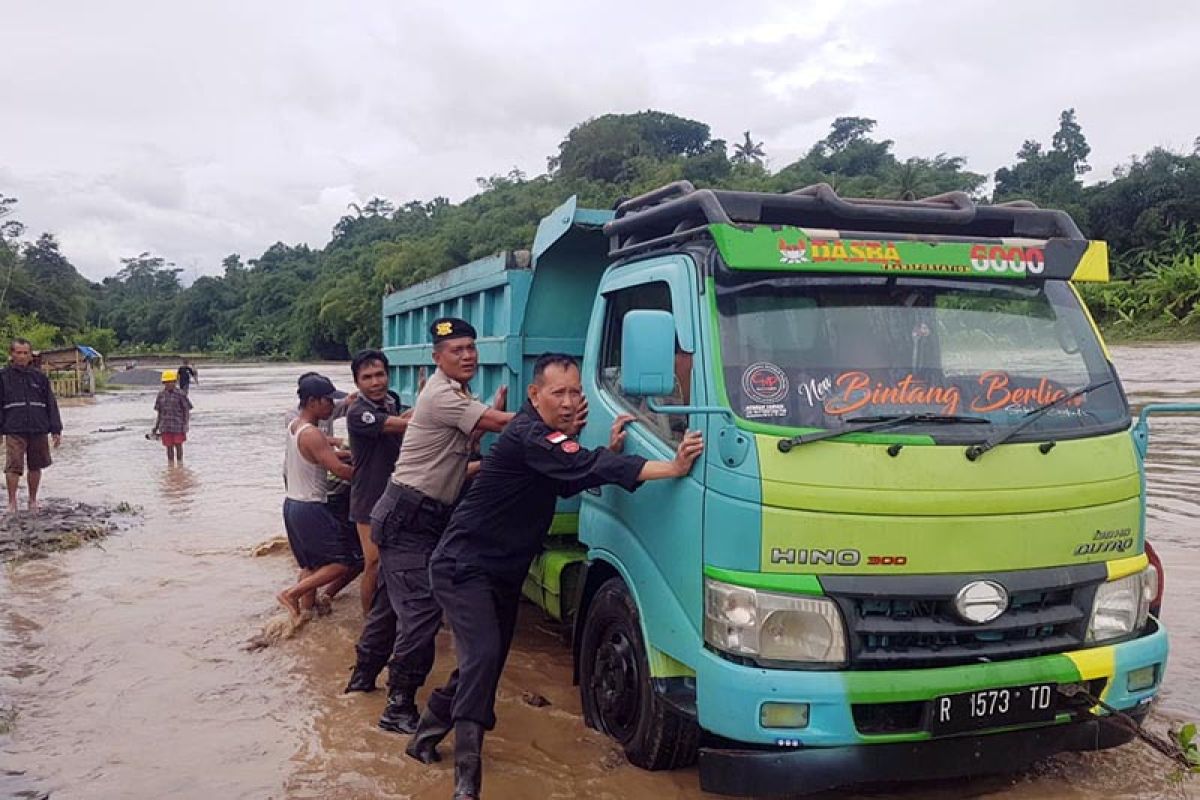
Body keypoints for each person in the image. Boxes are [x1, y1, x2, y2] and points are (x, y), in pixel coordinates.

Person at [405, 353, 704, 800]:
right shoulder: (529, 435)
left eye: (575, 393)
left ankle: (424, 736)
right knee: (483, 658)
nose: (568, 402)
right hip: (463, 568)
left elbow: (569, 478)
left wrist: (607, 452)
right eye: (558, 393)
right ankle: (467, 782)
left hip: (501, 572)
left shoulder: (546, 441)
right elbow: (580, 466)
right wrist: (674, 467)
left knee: (481, 664)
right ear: (534, 394)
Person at [371, 317, 513, 735]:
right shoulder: (442, 395)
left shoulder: (455, 393)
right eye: (457, 350)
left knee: (389, 606)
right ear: (437, 358)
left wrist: (489, 417)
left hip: (419, 514)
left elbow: (461, 446)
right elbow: (499, 425)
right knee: (421, 614)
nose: (468, 355)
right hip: (409, 516)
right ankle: (396, 706)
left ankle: (363, 677)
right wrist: (546, 412)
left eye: (471, 348)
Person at [343, 350, 411, 693]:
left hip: (397, 497)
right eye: (367, 377)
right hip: (369, 499)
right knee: (373, 563)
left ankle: (392, 621)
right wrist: (430, 408)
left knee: (395, 564)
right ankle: (370, 622)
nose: (375, 382)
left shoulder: (392, 401)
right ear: (356, 383)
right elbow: (400, 426)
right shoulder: (359, 413)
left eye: (380, 374)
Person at [277, 373, 359, 621]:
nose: (332, 406)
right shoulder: (312, 433)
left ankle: (307, 613)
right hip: (310, 506)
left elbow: (319, 458)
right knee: (341, 563)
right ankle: (291, 594)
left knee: (311, 566)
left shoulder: (296, 426)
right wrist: (375, 476)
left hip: (292, 504)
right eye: (328, 401)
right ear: (313, 401)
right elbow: (339, 470)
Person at [0, 338, 63, 514]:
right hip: (14, 428)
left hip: (38, 427)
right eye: (18, 352)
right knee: (13, 465)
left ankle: (32, 500)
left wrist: (56, 429)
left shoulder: (40, 377)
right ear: (11, 354)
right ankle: (12, 503)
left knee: (36, 465)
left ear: (30, 355)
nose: (21, 356)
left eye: (25, 353)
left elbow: (51, 403)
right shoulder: (3, 377)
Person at [153, 369, 193, 464]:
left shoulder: (181, 394)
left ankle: (180, 464)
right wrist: (156, 427)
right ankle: (170, 465)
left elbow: (186, 410)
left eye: (171, 382)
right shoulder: (161, 395)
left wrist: (186, 424)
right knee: (168, 447)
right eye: (166, 382)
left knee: (178, 446)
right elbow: (159, 412)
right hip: (165, 426)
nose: (169, 384)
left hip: (178, 425)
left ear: (175, 382)